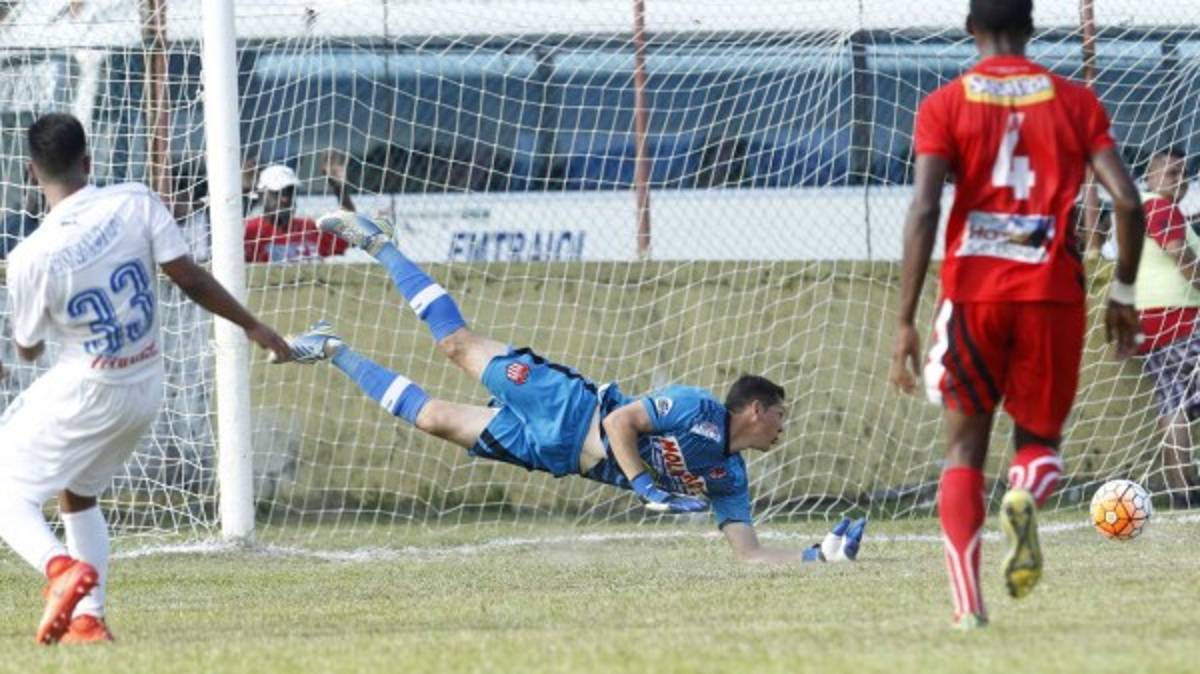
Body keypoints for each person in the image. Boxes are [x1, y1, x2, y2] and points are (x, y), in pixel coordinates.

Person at [281, 209, 868, 563]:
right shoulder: (696, 408)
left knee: (433, 418)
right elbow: (620, 423)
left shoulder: (728, 476)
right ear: (755, 409)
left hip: (552, 454)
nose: (783, 428)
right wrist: (646, 486)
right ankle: (381, 243)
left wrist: (820, 557)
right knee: (455, 344)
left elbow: (749, 555)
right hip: (563, 404)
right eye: (780, 416)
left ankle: (332, 348)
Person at [887, 0, 1145, 629]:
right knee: (1037, 444)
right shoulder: (1075, 101)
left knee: (963, 452)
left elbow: (923, 210)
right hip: (1052, 294)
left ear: (971, 30)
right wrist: (1124, 293)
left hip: (973, 295)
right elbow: (1130, 204)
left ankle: (968, 607)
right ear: (1031, 28)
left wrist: (905, 319)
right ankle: (1026, 492)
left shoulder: (943, 104)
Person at [0, 112, 292, 645]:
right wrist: (252, 325)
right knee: (78, 494)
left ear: (29, 172)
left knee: (5, 493)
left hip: (86, 386)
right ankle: (88, 620)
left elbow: (28, 348)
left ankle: (59, 570)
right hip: (143, 385)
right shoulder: (136, 200)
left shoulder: (30, 256)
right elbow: (189, 277)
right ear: (88, 161)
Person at [1131, 147, 1200, 508]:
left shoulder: (1147, 209)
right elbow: (1183, 259)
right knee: (1179, 401)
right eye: (1170, 173)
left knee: (1173, 404)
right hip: (1180, 318)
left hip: (1150, 325)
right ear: (1150, 178)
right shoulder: (1159, 207)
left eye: (1184, 172)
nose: (1179, 179)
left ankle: (1183, 490)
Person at [242, 155, 356, 263]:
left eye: (289, 192)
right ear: (262, 194)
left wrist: (340, 191)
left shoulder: (310, 228)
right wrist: (243, 192)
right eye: (277, 193)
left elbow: (354, 237)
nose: (285, 199)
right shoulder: (250, 231)